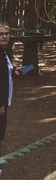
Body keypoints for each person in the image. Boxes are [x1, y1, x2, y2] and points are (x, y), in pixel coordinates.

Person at [0, 23, 21, 155]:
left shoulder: (6, 51)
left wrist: (14, 71)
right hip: (0, 102)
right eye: (1, 34)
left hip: (5, 99)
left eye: (6, 34)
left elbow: (4, 72)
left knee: (1, 132)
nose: (4, 36)